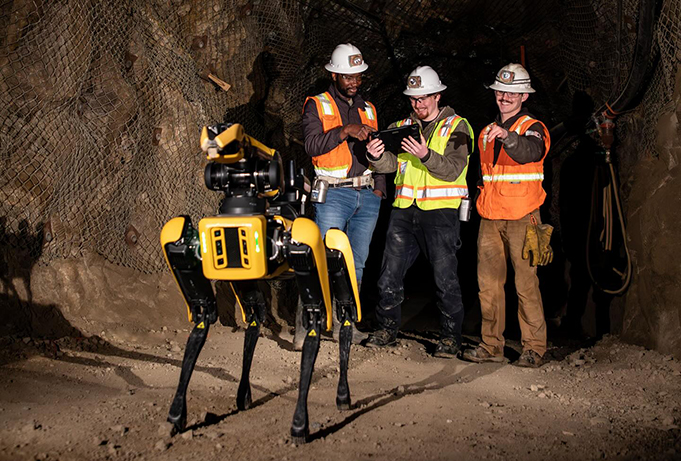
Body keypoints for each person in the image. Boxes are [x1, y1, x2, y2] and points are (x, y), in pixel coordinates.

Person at [364, 66, 473, 358]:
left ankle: (451, 338)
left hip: (440, 214)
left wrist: (424, 154)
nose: (418, 104)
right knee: (389, 274)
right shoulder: (402, 125)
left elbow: (453, 170)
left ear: (438, 95)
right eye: (413, 98)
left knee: (444, 277)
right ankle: (386, 329)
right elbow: (390, 165)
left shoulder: (457, 126)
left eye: (424, 97)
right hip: (403, 210)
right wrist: (374, 157)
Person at [294, 43, 386, 349]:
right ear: (333, 74)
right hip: (333, 194)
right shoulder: (317, 105)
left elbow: (380, 151)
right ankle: (308, 325)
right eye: (347, 76)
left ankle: (345, 324)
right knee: (320, 258)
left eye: (358, 76)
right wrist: (344, 131)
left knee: (356, 264)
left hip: (366, 194)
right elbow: (312, 146)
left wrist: (379, 187)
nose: (354, 82)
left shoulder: (369, 108)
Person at [461, 63, 551, 368]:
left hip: (526, 217)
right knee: (487, 285)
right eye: (500, 91)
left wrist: (508, 137)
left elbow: (530, 152)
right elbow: (485, 173)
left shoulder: (533, 128)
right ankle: (491, 346)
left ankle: (535, 347)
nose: (505, 96)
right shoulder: (486, 131)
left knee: (526, 283)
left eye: (512, 92)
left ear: (525, 95)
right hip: (490, 219)